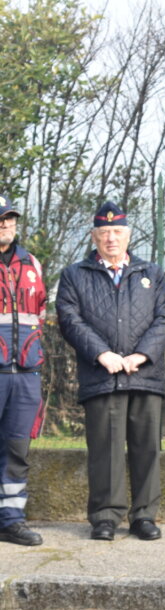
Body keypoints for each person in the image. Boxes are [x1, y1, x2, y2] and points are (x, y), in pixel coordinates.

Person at [56, 201, 165, 541]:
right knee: (105, 449)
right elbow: (69, 320)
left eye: (117, 232)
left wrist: (142, 355)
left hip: (144, 375)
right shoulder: (74, 275)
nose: (111, 238)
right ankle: (105, 517)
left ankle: (144, 517)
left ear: (129, 235)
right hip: (102, 376)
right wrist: (102, 353)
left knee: (146, 449)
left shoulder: (151, 273)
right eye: (104, 232)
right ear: (94, 236)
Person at [0, 196, 46, 547]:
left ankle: (12, 520)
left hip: (26, 373)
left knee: (17, 449)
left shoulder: (31, 263)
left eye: (9, 219)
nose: (5, 225)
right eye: (0, 219)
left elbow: (40, 313)